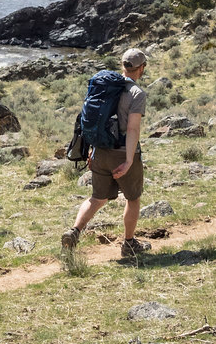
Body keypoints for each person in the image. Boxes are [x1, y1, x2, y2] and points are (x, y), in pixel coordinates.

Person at [61, 47, 150, 259]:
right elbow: (132, 129)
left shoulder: (103, 86)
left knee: (97, 198)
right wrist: (129, 160)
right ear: (142, 68)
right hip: (122, 152)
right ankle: (129, 244)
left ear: (123, 65)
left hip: (100, 151)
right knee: (133, 198)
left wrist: (92, 150)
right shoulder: (136, 94)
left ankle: (74, 231)